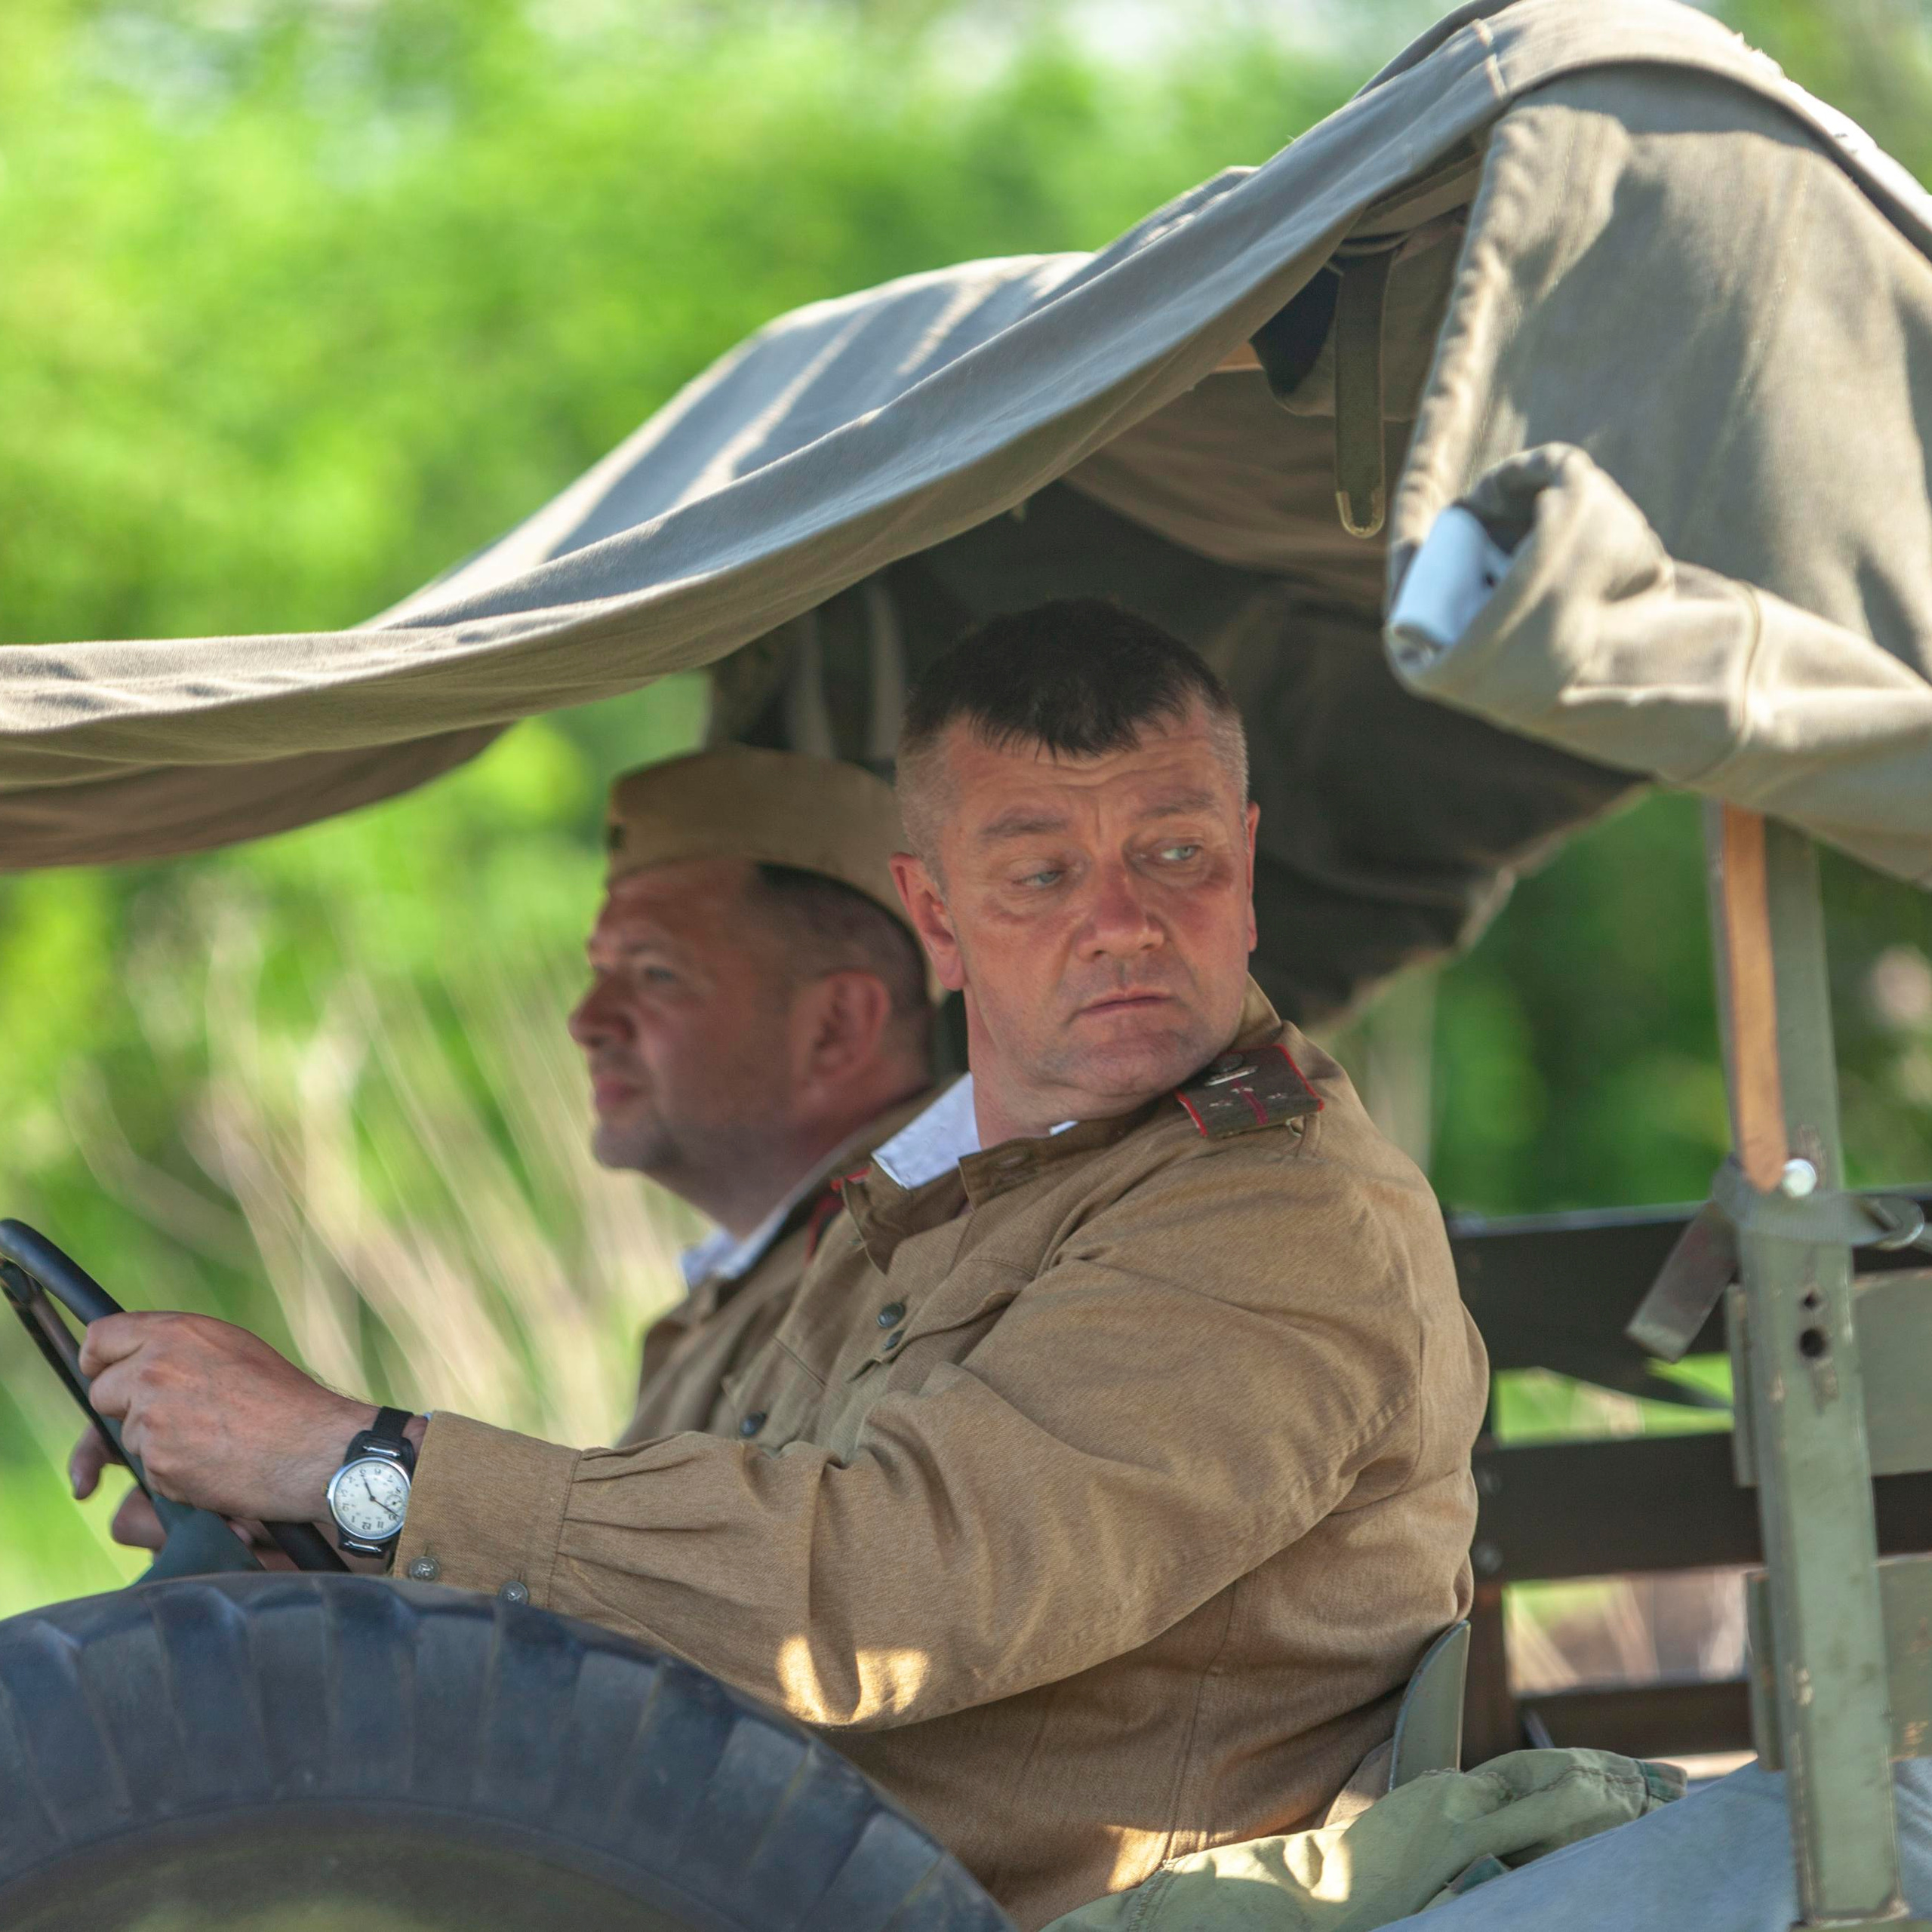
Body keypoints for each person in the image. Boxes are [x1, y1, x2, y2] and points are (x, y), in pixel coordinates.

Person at [71, 601, 1489, 1930]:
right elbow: (720, 1578)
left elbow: (891, 1597)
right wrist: (346, 1543)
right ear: (938, 918)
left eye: (1175, 856)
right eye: (1042, 873)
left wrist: (358, 1464)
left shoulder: (1271, 1214)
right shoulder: (978, 1188)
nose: (1121, 920)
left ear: (1243, 864)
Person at [74, 744, 937, 1537]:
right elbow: (653, 1612)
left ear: (835, 1024)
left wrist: (331, 1457)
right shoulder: (767, 1275)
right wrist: (303, 1528)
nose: (587, 1019)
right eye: (601, 972)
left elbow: (798, 1592)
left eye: (655, 974)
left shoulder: (929, 1252)